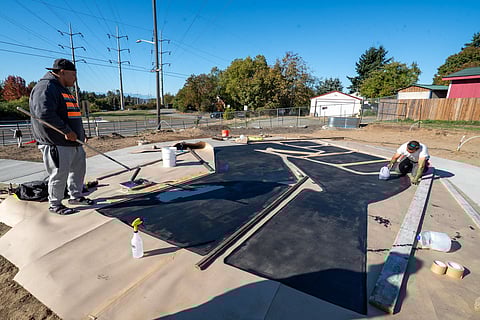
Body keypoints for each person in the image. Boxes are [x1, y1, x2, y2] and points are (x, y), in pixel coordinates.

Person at [29, 58, 93, 215]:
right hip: (57, 142)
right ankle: (55, 203)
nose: (75, 79)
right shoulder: (46, 87)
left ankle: (75, 196)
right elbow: (44, 114)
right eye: (73, 75)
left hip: (74, 141)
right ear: (62, 73)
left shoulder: (63, 88)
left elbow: (72, 114)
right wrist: (65, 131)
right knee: (59, 173)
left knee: (78, 170)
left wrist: (81, 133)